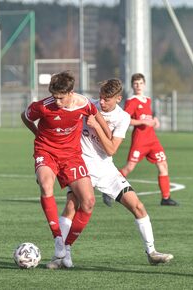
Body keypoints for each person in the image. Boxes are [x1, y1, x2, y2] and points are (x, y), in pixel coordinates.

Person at [60, 78, 174, 267]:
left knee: (137, 206)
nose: (102, 102)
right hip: (82, 164)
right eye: (100, 98)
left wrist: (97, 126)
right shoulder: (88, 107)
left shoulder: (123, 118)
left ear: (118, 99)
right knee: (72, 206)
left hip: (106, 168)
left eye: (107, 99)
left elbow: (111, 150)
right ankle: (63, 252)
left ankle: (151, 252)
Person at [21, 70, 111, 269]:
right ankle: (58, 240)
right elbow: (25, 117)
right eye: (54, 97)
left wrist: (108, 134)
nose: (57, 102)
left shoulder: (83, 104)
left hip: (71, 156)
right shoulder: (43, 107)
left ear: (71, 93)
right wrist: (38, 135)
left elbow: (97, 116)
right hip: (46, 151)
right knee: (46, 186)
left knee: (88, 202)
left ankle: (67, 247)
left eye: (61, 98)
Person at [120, 73, 178, 206]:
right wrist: (141, 122)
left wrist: (154, 120)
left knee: (163, 165)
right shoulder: (131, 101)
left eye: (140, 83)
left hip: (152, 140)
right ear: (132, 86)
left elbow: (148, 117)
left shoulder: (148, 100)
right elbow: (125, 120)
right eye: (136, 84)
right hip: (140, 141)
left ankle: (166, 198)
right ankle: (109, 186)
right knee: (129, 168)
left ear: (144, 85)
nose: (138, 86)